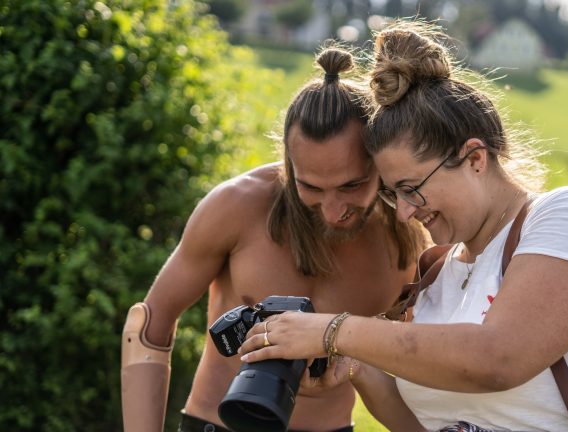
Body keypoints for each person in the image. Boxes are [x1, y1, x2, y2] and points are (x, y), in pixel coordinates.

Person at [239, 21, 568, 432]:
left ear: (474, 159)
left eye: (411, 189)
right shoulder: (436, 276)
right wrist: (355, 366)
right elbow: (422, 425)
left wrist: (333, 330)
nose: (403, 212)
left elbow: (498, 359)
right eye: (392, 194)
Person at [120, 47, 426, 432]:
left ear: (379, 162)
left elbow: (424, 360)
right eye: (311, 187)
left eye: (352, 185)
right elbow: (148, 325)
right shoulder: (238, 205)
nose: (333, 211)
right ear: (289, 162)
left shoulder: (409, 237)